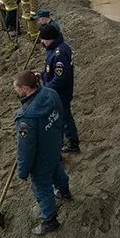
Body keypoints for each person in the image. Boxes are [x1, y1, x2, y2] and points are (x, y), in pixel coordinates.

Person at [13, 70, 72, 235]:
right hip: (54, 145)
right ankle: (64, 191)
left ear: (25, 88)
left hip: (40, 157)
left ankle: (50, 221)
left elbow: (26, 149)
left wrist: (23, 172)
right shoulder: (50, 93)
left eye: (16, 88)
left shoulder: (26, 117)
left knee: (42, 187)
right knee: (56, 168)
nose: (15, 91)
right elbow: (60, 116)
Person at [38, 24, 79, 153]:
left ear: (50, 39)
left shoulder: (60, 53)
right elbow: (51, 71)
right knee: (65, 117)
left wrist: (47, 89)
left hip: (60, 94)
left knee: (60, 120)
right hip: (58, 92)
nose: (42, 42)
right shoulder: (55, 48)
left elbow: (60, 78)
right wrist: (41, 75)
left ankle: (66, 145)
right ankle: (72, 142)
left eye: (43, 39)